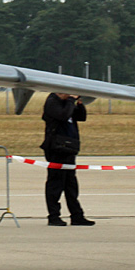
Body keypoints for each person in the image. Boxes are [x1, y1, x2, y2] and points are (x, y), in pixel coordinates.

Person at [41, 93, 94, 226]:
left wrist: (80, 104)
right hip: (56, 148)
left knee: (71, 184)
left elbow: (81, 117)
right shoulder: (52, 102)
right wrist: (70, 100)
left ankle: (77, 215)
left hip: (69, 148)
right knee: (55, 183)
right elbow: (63, 116)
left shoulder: (68, 104)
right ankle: (53, 216)